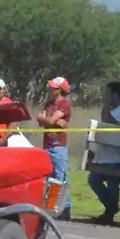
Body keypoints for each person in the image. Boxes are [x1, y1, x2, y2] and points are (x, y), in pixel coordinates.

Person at [86, 81, 120, 225]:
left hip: (116, 156)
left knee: (100, 180)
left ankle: (111, 210)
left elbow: (107, 120)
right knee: (99, 180)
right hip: (109, 155)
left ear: (115, 95)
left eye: (108, 94)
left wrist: (106, 104)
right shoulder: (116, 110)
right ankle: (110, 210)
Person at [37, 77, 74, 218]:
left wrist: (48, 120)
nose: (50, 89)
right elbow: (41, 119)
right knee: (50, 177)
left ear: (59, 90)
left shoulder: (65, 104)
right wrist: (51, 121)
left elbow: (48, 119)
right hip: (47, 145)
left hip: (58, 147)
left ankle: (65, 208)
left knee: (60, 177)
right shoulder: (49, 104)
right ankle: (53, 207)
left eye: (53, 87)